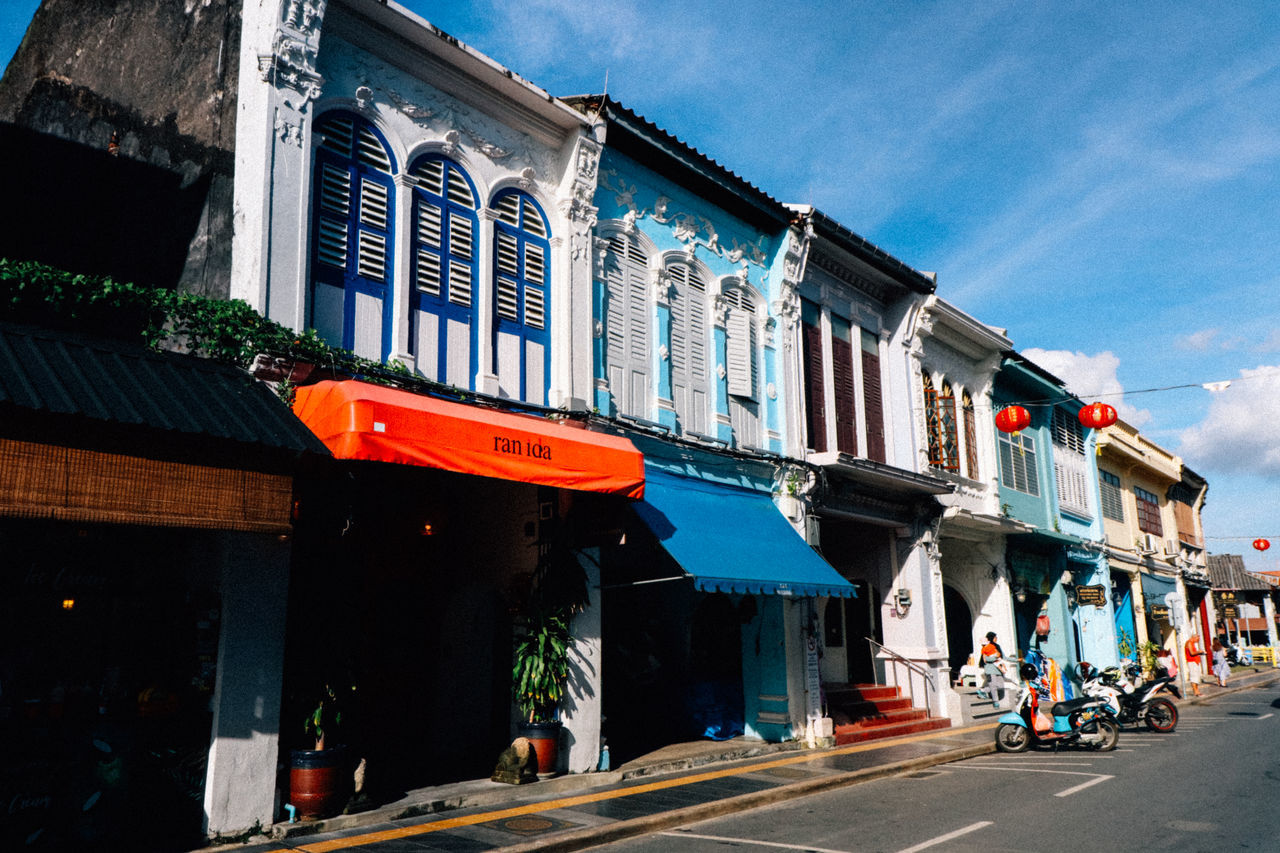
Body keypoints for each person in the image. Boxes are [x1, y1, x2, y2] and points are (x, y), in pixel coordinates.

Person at [978, 632, 1005, 706]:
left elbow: (1002, 657)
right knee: (993, 685)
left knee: (1000, 686)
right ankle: (995, 702)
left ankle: (983, 690)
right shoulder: (987, 647)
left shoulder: (997, 646)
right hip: (990, 669)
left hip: (998, 669)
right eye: (995, 637)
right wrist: (995, 657)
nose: (996, 639)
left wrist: (1015, 660)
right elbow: (986, 659)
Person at [1184, 633, 1204, 697]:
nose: (1198, 641)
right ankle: (1196, 692)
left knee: (1196, 677)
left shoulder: (1192, 643)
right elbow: (1192, 653)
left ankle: (1197, 691)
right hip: (1192, 662)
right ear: (1194, 637)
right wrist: (1199, 652)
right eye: (1197, 639)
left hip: (1195, 661)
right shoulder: (1189, 643)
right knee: (1194, 677)